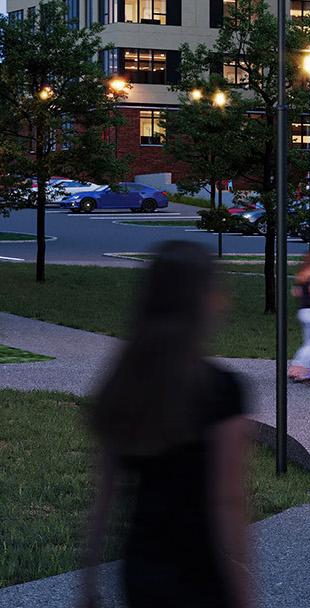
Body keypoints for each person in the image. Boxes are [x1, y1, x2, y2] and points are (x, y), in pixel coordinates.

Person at [78, 242, 259, 608]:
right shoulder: (221, 390)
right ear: (204, 300)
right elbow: (227, 501)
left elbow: (105, 496)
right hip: (200, 573)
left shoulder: (125, 384)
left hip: (142, 568)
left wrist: (89, 580)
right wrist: (243, 591)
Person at [288, 251, 310, 384]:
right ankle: (300, 369)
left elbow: (295, 293)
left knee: (308, 342)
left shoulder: (301, 276)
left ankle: (298, 370)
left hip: (303, 311)